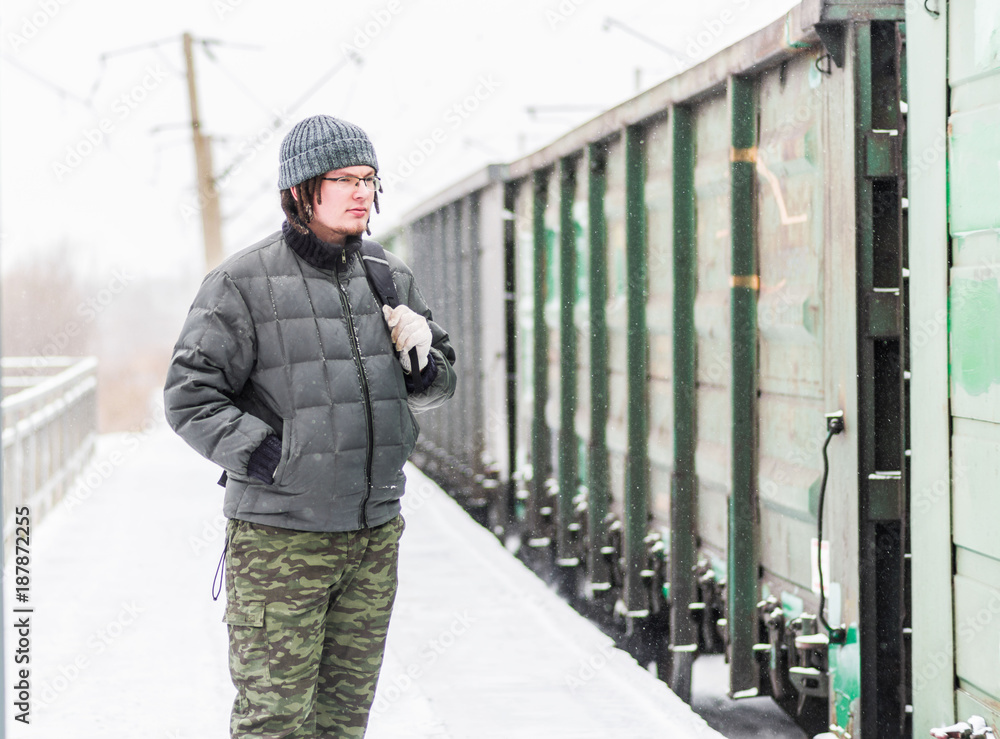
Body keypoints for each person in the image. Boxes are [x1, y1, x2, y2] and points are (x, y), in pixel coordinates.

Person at [163, 114, 457, 738]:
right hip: (280, 544)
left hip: (373, 538)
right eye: (344, 178)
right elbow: (189, 396)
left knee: (343, 722)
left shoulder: (386, 275)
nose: (362, 192)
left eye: (371, 179)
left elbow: (436, 384)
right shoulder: (241, 284)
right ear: (300, 190)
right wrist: (271, 457)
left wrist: (424, 359)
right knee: (274, 721)